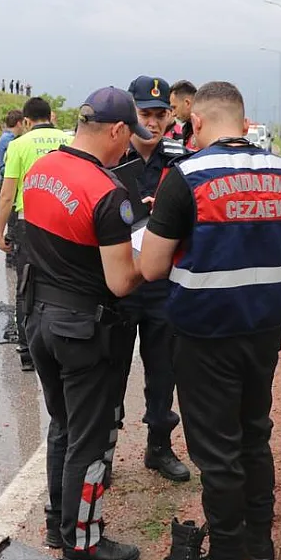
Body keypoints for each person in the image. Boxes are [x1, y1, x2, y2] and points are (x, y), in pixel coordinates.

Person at [141, 81, 281, 560]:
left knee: (216, 449)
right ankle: (259, 547)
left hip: (203, 336)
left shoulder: (186, 176)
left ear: (195, 122)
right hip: (263, 330)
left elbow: (152, 267)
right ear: (244, 123)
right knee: (254, 433)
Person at [21, 86, 151, 560]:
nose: (129, 147)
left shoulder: (41, 169)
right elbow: (121, 281)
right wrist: (152, 252)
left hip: (39, 319)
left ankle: (59, 524)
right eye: (128, 136)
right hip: (83, 329)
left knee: (62, 425)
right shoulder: (107, 192)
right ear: (117, 131)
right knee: (90, 440)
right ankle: (84, 541)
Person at [114, 75, 190, 483]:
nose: (155, 122)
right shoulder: (111, 157)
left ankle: (159, 446)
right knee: (111, 369)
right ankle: (103, 449)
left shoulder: (180, 160)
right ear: (131, 114)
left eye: (162, 114)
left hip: (162, 283)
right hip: (121, 280)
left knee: (163, 369)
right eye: (146, 113)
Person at [0, 97, 72, 369]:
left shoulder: (18, 145)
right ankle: (63, 345)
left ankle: (28, 353)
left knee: (26, 286)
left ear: (26, 121)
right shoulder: (69, 141)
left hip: (29, 223)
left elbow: (7, 195)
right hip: (65, 222)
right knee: (63, 282)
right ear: (51, 116)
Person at [0, 110, 24, 268]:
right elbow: (5, 167)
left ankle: (12, 255)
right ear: (19, 123)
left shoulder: (8, 138)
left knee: (12, 221)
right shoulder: (9, 141)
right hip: (8, 181)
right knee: (13, 222)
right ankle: (11, 256)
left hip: (9, 181)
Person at [168, 80, 199, 151]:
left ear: (187, 103)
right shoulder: (186, 130)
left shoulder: (209, 128)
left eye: (174, 107)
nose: (173, 114)